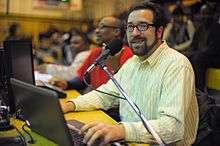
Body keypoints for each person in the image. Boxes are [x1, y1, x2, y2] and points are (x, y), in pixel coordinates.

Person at [61, 2, 198, 146]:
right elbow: (104, 95)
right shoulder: (132, 63)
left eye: (143, 26)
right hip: (131, 140)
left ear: (159, 31)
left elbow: (173, 128)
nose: (135, 33)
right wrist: (70, 105)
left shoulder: (177, 65)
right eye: (130, 27)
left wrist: (122, 130)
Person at [50, 16, 133, 91]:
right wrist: (67, 84)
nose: (96, 31)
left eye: (102, 27)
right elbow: (83, 79)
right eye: (97, 27)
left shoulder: (128, 54)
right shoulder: (95, 52)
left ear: (116, 31)